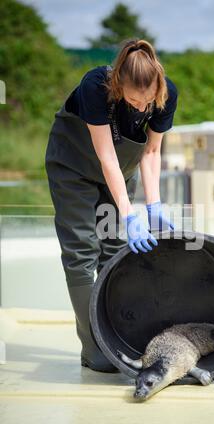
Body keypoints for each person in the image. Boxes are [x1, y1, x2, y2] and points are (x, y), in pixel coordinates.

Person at [45, 38, 178, 373]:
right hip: (73, 166)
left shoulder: (166, 94)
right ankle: (93, 347)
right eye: (132, 99)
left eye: (146, 102)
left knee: (115, 248)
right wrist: (129, 214)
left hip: (122, 170)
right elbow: (105, 156)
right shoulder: (95, 85)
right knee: (81, 250)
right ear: (118, 83)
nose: (138, 107)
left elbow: (150, 151)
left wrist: (153, 204)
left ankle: (115, 335)